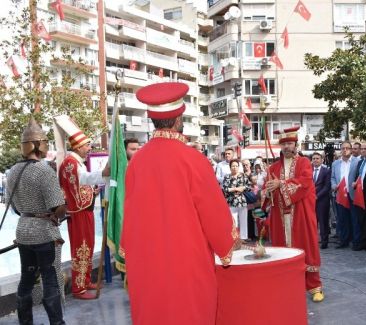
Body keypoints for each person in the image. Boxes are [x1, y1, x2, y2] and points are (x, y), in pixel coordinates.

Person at [122, 82, 237, 324]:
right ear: (178, 119)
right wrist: (226, 246)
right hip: (187, 263)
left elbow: (130, 215)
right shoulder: (194, 160)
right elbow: (213, 214)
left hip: (148, 264)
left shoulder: (137, 162)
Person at [8, 119, 67, 325]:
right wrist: (62, 206)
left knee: (27, 278)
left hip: (23, 230)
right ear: (41, 145)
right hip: (42, 232)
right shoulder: (43, 170)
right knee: (50, 279)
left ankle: (25, 322)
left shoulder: (12, 171)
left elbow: (15, 207)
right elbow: (58, 209)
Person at [261, 126, 324, 302]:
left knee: (306, 246)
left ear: (295, 144)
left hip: (301, 214)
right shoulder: (272, 167)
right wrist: (267, 191)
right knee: (282, 249)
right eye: (284, 144)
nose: (287, 147)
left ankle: (314, 286)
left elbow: (304, 183)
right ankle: (286, 284)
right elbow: (266, 192)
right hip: (280, 215)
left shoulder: (304, 163)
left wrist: (281, 184)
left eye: (289, 143)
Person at [54, 115, 110, 300]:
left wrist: (91, 190)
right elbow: (81, 183)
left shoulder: (75, 162)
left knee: (87, 246)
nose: (89, 148)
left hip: (83, 210)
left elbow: (79, 185)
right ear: (78, 147)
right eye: (87, 145)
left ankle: (85, 281)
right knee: (81, 249)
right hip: (78, 212)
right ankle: (78, 288)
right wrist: (102, 175)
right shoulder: (71, 163)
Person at [222, 159, 252, 241]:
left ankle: (243, 238)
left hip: (242, 201)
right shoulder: (227, 176)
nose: (234, 168)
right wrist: (235, 189)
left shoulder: (243, 176)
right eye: (233, 166)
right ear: (230, 167)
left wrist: (243, 188)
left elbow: (249, 187)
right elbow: (224, 189)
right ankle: (235, 238)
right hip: (231, 201)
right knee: (233, 221)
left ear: (238, 167)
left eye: (236, 166)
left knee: (243, 220)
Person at [331, 141, 353, 248]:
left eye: (347, 148)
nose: (345, 150)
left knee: (354, 218)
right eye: (343, 148)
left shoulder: (356, 162)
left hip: (353, 194)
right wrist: (334, 185)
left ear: (351, 149)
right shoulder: (335, 163)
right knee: (342, 219)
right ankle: (343, 241)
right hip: (340, 194)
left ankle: (355, 241)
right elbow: (333, 177)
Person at [312, 152, 331, 249]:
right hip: (310, 201)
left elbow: (327, 187)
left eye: (317, 158)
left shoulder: (326, 171)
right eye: (314, 158)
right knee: (313, 221)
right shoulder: (309, 170)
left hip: (322, 200)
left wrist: (317, 196)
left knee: (323, 221)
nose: (315, 160)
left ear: (322, 160)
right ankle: (313, 241)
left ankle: (324, 241)